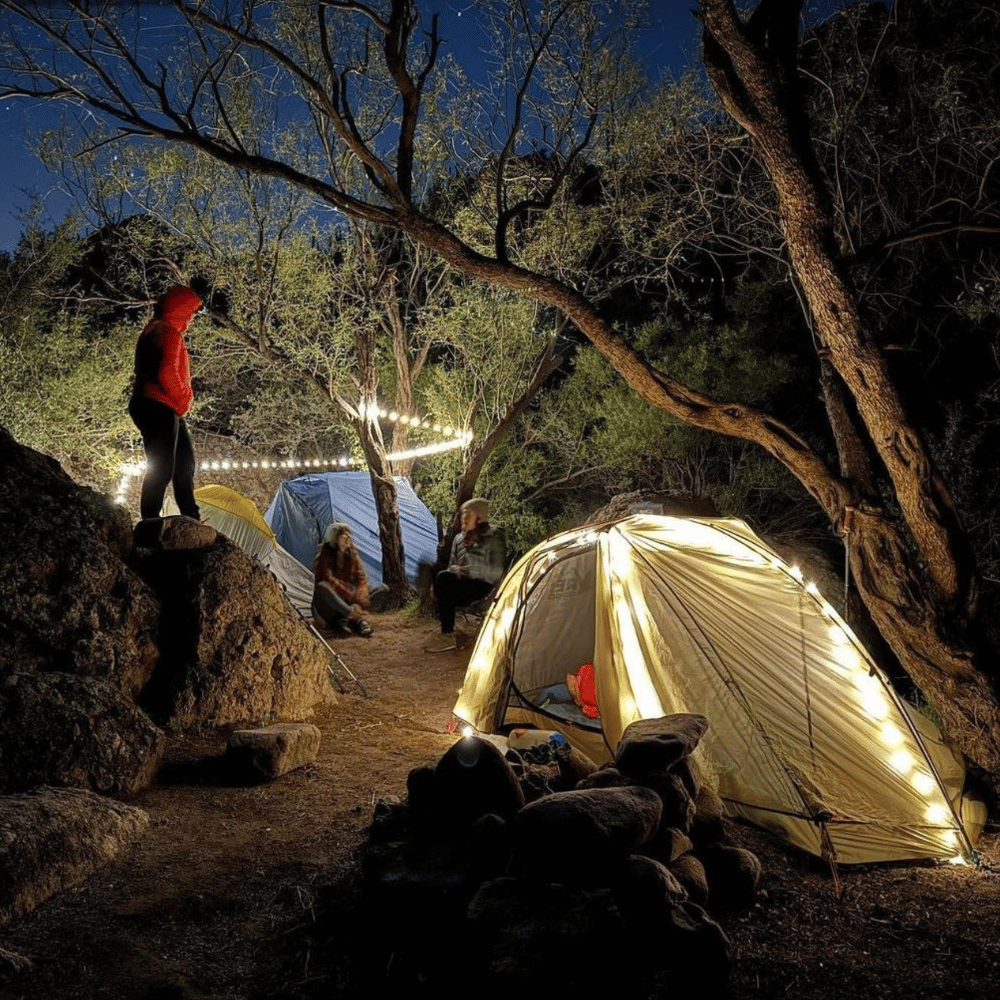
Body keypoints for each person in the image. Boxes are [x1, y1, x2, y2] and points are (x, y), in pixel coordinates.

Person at [128, 285, 203, 546]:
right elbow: (167, 372)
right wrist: (183, 399)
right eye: (191, 312)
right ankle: (149, 524)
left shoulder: (158, 329)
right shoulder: (166, 331)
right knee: (162, 467)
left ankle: (191, 518)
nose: (192, 318)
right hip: (158, 403)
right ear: (179, 310)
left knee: (184, 463)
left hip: (160, 404)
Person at [425, 497, 506, 652]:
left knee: (443, 577)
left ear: (480, 516)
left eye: (468, 514)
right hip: (461, 584)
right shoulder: (459, 538)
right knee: (435, 570)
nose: (463, 518)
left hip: (481, 585)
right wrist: (450, 574)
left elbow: (496, 571)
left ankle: (447, 635)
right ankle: (446, 625)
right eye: (462, 514)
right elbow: (451, 566)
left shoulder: (494, 535)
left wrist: (465, 570)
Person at [312, 523, 384, 637]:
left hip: (350, 600)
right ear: (335, 539)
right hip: (330, 606)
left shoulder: (352, 555)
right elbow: (329, 580)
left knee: (382, 589)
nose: (348, 540)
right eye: (344, 537)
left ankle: (350, 620)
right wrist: (353, 596)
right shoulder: (324, 555)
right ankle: (356, 618)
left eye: (349, 537)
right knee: (322, 587)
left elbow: (362, 579)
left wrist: (361, 596)